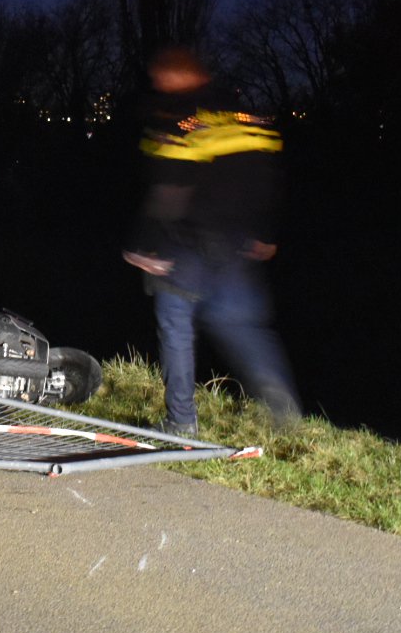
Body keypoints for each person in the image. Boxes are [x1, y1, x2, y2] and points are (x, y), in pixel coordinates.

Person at [122, 45, 303, 438]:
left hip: (185, 246)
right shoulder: (246, 118)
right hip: (237, 246)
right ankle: (283, 410)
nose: (157, 86)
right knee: (240, 324)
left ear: (174, 76)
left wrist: (142, 246)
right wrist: (265, 233)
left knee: (176, 328)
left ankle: (182, 421)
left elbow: (167, 190)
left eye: (160, 79)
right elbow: (270, 180)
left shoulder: (175, 121)